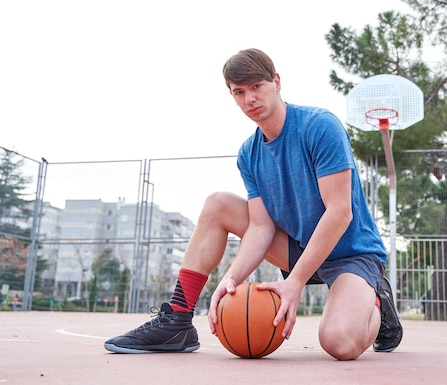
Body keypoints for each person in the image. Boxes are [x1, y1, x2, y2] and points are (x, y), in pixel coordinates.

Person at [103, 48, 403, 360]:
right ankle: (177, 319)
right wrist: (231, 278)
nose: (250, 100)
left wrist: (295, 282)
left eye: (257, 87)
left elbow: (340, 213)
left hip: (350, 252)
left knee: (340, 343)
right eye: (239, 92)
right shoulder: (249, 153)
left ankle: (376, 298)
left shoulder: (319, 126)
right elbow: (260, 227)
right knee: (217, 204)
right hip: (298, 246)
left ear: (276, 82)